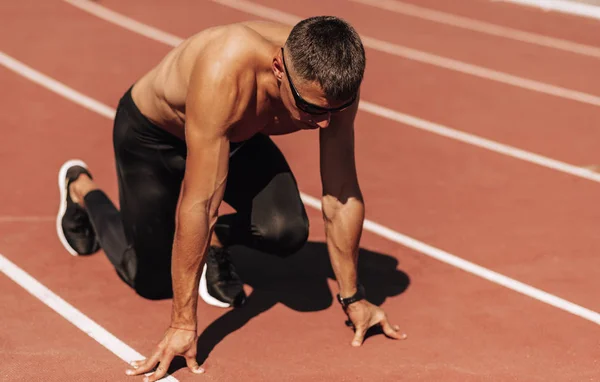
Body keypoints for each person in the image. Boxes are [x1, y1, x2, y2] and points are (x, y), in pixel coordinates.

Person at [55, 16, 406, 380]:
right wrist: (182, 324)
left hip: (234, 133)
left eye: (334, 110)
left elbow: (341, 195)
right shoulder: (226, 68)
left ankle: (218, 243)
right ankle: (81, 189)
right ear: (278, 69)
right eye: (312, 110)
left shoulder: (333, 83)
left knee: (284, 230)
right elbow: (202, 204)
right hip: (153, 139)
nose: (323, 124)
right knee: (151, 282)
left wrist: (353, 297)